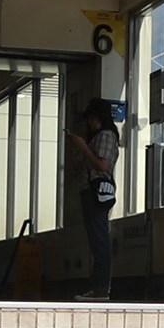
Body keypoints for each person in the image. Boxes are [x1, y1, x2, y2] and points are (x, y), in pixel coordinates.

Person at [66, 96, 117, 301]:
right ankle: (98, 287)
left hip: (97, 191)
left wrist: (83, 147)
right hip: (91, 190)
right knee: (96, 239)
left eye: (94, 118)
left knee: (99, 240)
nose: (90, 122)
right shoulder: (96, 137)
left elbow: (102, 165)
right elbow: (80, 167)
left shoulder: (105, 135)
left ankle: (101, 288)